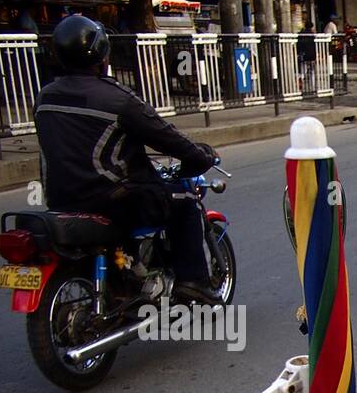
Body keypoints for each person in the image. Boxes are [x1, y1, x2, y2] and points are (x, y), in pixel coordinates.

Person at [35, 15, 219, 304]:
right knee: (184, 199)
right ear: (101, 53)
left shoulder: (45, 97)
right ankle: (193, 282)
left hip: (61, 199)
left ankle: (129, 274)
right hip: (114, 200)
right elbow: (166, 136)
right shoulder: (116, 99)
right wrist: (200, 155)